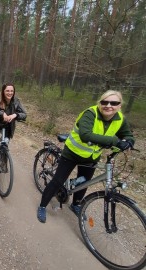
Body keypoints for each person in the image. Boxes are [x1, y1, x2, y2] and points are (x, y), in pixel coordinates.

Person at [37, 90, 135, 223]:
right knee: (58, 181)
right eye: (105, 102)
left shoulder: (120, 119)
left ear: (119, 106)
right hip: (72, 153)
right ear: (100, 103)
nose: (108, 105)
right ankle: (42, 205)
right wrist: (115, 141)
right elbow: (85, 135)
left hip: (91, 157)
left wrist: (129, 142)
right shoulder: (90, 114)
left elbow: (128, 135)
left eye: (114, 103)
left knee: (83, 182)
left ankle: (76, 204)